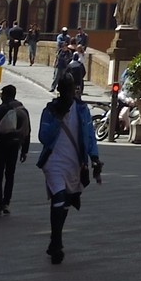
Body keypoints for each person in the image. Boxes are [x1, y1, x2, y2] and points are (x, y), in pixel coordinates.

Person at [36, 73, 100, 265]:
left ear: (75, 90)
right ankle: (57, 243)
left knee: (65, 203)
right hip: (53, 161)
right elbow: (43, 137)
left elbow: (89, 134)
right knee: (59, 197)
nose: (69, 94)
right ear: (60, 91)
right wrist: (58, 118)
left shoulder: (82, 110)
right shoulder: (50, 111)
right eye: (65, 90)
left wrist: (94, 158)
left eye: (71, 90)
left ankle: (55, 238)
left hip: (74, 162)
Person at [0, 83, 30, 215]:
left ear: (4, 95)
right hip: (14, 146)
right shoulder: (22, 110)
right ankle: (6, 203)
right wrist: (25, 150)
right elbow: (27, 130)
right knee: (10, 175)